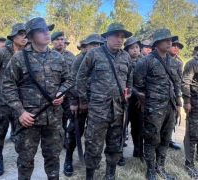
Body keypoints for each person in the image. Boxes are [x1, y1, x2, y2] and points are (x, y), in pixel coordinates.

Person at [1, 17, 73, 180]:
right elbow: (6, 86)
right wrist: (20, 112)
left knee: (53, 158)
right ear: (31, 37)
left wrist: (60, 93)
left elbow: (69, 80)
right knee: (25, 161)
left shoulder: (57, 57)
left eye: (47, 30)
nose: (47, 33)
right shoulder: (19, 58)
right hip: (29, 120)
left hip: (53, 119)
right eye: (41, 31)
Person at [76, 23, 133, 180]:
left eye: (122, 37)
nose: (120, 40)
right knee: (93, 145)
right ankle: (90, 176)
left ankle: (110, 175)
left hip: (118, 110)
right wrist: (85, 100)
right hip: (97, 110)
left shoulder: (125, 57)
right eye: (116, 36)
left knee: (115, 146)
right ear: (107, 37)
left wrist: (127, 96)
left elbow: (129, 80)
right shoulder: (94, 54)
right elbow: (80, 78)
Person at [134, 28, 181, 180]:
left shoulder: (172, 62)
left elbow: (176, 84)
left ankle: (160, 168)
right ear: (157, 43)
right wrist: (141, 96)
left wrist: (178, 104)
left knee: (166, 139)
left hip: (170, 106)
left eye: (170, 40)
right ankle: (150, 170)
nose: (170, 42)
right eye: (166, 40)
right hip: (153, 108)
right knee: (151, 139)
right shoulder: (145, 61)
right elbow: (136, 83)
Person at [0, 23, 27, 176]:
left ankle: (22, 162)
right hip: (3, 100)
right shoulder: (3, 53)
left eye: (26, 34)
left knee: (22, 132)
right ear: (13, 37)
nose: (24, 37)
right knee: (0, 131)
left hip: (22, 100)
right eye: (20, 34)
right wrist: (0, 87)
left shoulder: (29, 53)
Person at [65, 33, 104, 176]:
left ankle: (90, 160)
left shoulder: (102, 59)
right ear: (86, 46)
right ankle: (68, 160)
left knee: (94, 135)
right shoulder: (79, 59)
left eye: (99, 44)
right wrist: (75, 102)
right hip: (81, 104)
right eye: (94, 44)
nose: (97, 47)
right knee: (75, 133)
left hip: (98, 104)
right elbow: (73, 82)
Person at [118, 37, 143, 166]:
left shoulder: (144, 62)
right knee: (122, 127)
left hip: (139, 102)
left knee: (138, 127)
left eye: (137, 47)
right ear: (126, 49)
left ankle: (138, 150)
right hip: (125, 100)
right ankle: (119, 153)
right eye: (131, 48)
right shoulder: (122, 61)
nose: (134, 50)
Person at [51, 31, 76, 150]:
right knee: (55, 119)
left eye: (62, 39)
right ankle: (55, 140)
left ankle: (64, 138)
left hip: (68, 93)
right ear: (52, 42)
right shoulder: (48, 55)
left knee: (66, 117)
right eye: (57, 39)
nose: (60, 42)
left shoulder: (71, 56)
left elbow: (74, 76)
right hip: (53, 94)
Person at [182, 43, 198, 179]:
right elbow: (185, 82)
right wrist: (187, 102)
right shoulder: (192, 63)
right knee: (191, 134)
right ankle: (189, 163)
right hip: (195, 103)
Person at [168, 39, 184, 150]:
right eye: (174, 45)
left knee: (172, 117)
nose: (176, 48)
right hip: (159, 94)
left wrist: (179, 100)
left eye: (178, 46)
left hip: (173, 92)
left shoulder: (179, 62)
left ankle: (169, 140)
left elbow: (179, 80)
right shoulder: (161, 58)